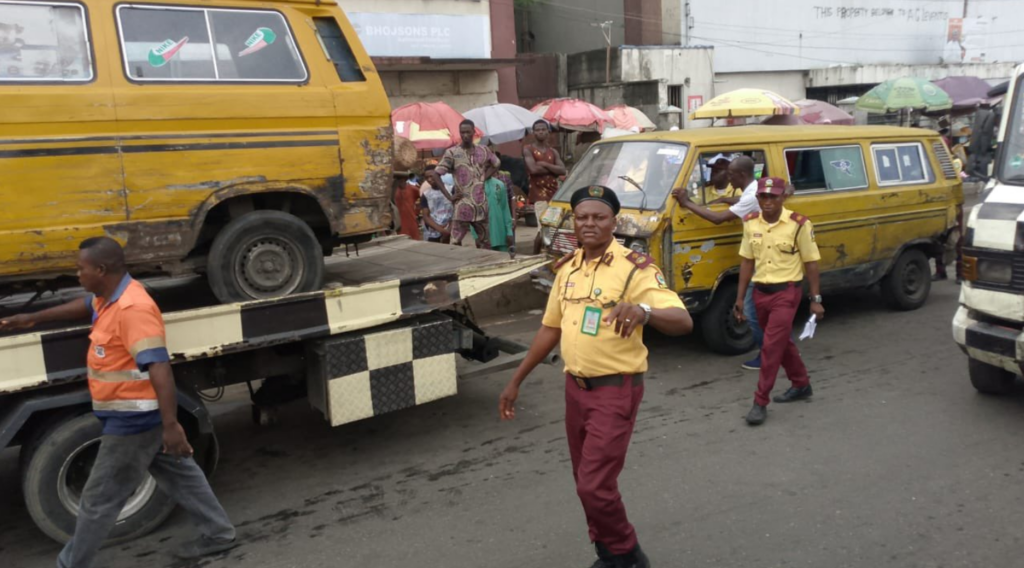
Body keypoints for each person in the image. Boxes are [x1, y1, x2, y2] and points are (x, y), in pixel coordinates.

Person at [0, 238, 236, 567]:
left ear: (101, 269)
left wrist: (171, 426)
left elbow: (159, 366)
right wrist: (34, 318)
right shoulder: (109, 297)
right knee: (182, 476)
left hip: (133, 422)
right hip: (130, 416)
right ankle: (220, 533)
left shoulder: (133, 309)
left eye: (81, 268)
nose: (77, 274)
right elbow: (85, 305)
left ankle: (70, 564)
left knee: (98, 499)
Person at [498, 186, 692, 568]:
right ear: (574, 221)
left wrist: (644, 312)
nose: (589, 224)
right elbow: (549, 329)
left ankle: (627, 553)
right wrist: (516, 380)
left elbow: (683, 320)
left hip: (614, 390)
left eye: (598, 217)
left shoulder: (634, 268)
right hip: (576, 390)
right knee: (585, 482)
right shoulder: (568, 268)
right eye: (582, 217)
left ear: (613, 222)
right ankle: (607, 551)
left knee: (594, 485)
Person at [734, 178, 824, 426]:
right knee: (780, 342)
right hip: (760, 293)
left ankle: (760, 402)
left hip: (787, 293)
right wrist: (740, 298)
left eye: (773, 197)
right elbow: (747, 261)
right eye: (764, 197)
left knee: (771, 347)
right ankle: (801, 384)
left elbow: (811, 262)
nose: (768, 202)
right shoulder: (751, 223)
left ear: (783, 197)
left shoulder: (799, 225)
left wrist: (815, 299)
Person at [672, 156, 764, 370]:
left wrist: (688, 204)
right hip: (755, 251)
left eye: (731, 175)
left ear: (741, 175)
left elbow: (718, 219)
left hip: (761, 254)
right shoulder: (752, 190)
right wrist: (723, 201)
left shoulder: (751, 196)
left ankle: (767, 354)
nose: (728, 179)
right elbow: (741, 203)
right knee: (758, 308)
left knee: (751, 310)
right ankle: (774, 352)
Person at [429, 119, 498, 248]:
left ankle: (484, 265)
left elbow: (496, 164)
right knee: (455, 242)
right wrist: (449, 196)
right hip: (462, 206)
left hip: (481, 205)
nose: (465, 135)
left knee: (485, 242)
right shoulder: (452, 152)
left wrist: (483, 178)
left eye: (468, 132)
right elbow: (435, 174)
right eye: (462, 132)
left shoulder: (483, 150)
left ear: (474, 132)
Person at [523, 120, 566, 204]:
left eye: (543, 129)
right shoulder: (528, 149)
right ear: (533, 132)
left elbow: (563, 170)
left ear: (548, 131)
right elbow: (533, 170)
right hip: (537, 195)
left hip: (554, 194)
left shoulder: (553, 151)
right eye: (538, 130)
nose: (541, 132)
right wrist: (554, 170)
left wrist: (544, 164)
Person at [420, 161, 453, 244]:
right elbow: (426, 216)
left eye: (431, 176)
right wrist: (441, 230)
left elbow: (457, 210)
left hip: (452, 230)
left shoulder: (451, 189)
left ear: (438, 175)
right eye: (426, 177)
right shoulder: (426, 195)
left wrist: (450, 229)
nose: (429, 179)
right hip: (434, 232)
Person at [392, 171, 421, 241]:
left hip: (411, 220)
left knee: (414, 240)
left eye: (404, 179)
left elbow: (423, 198)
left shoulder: (412, 188)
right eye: (399, 179)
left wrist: (417, 211)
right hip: (398, 222)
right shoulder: (392, 190)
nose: (402, 181)